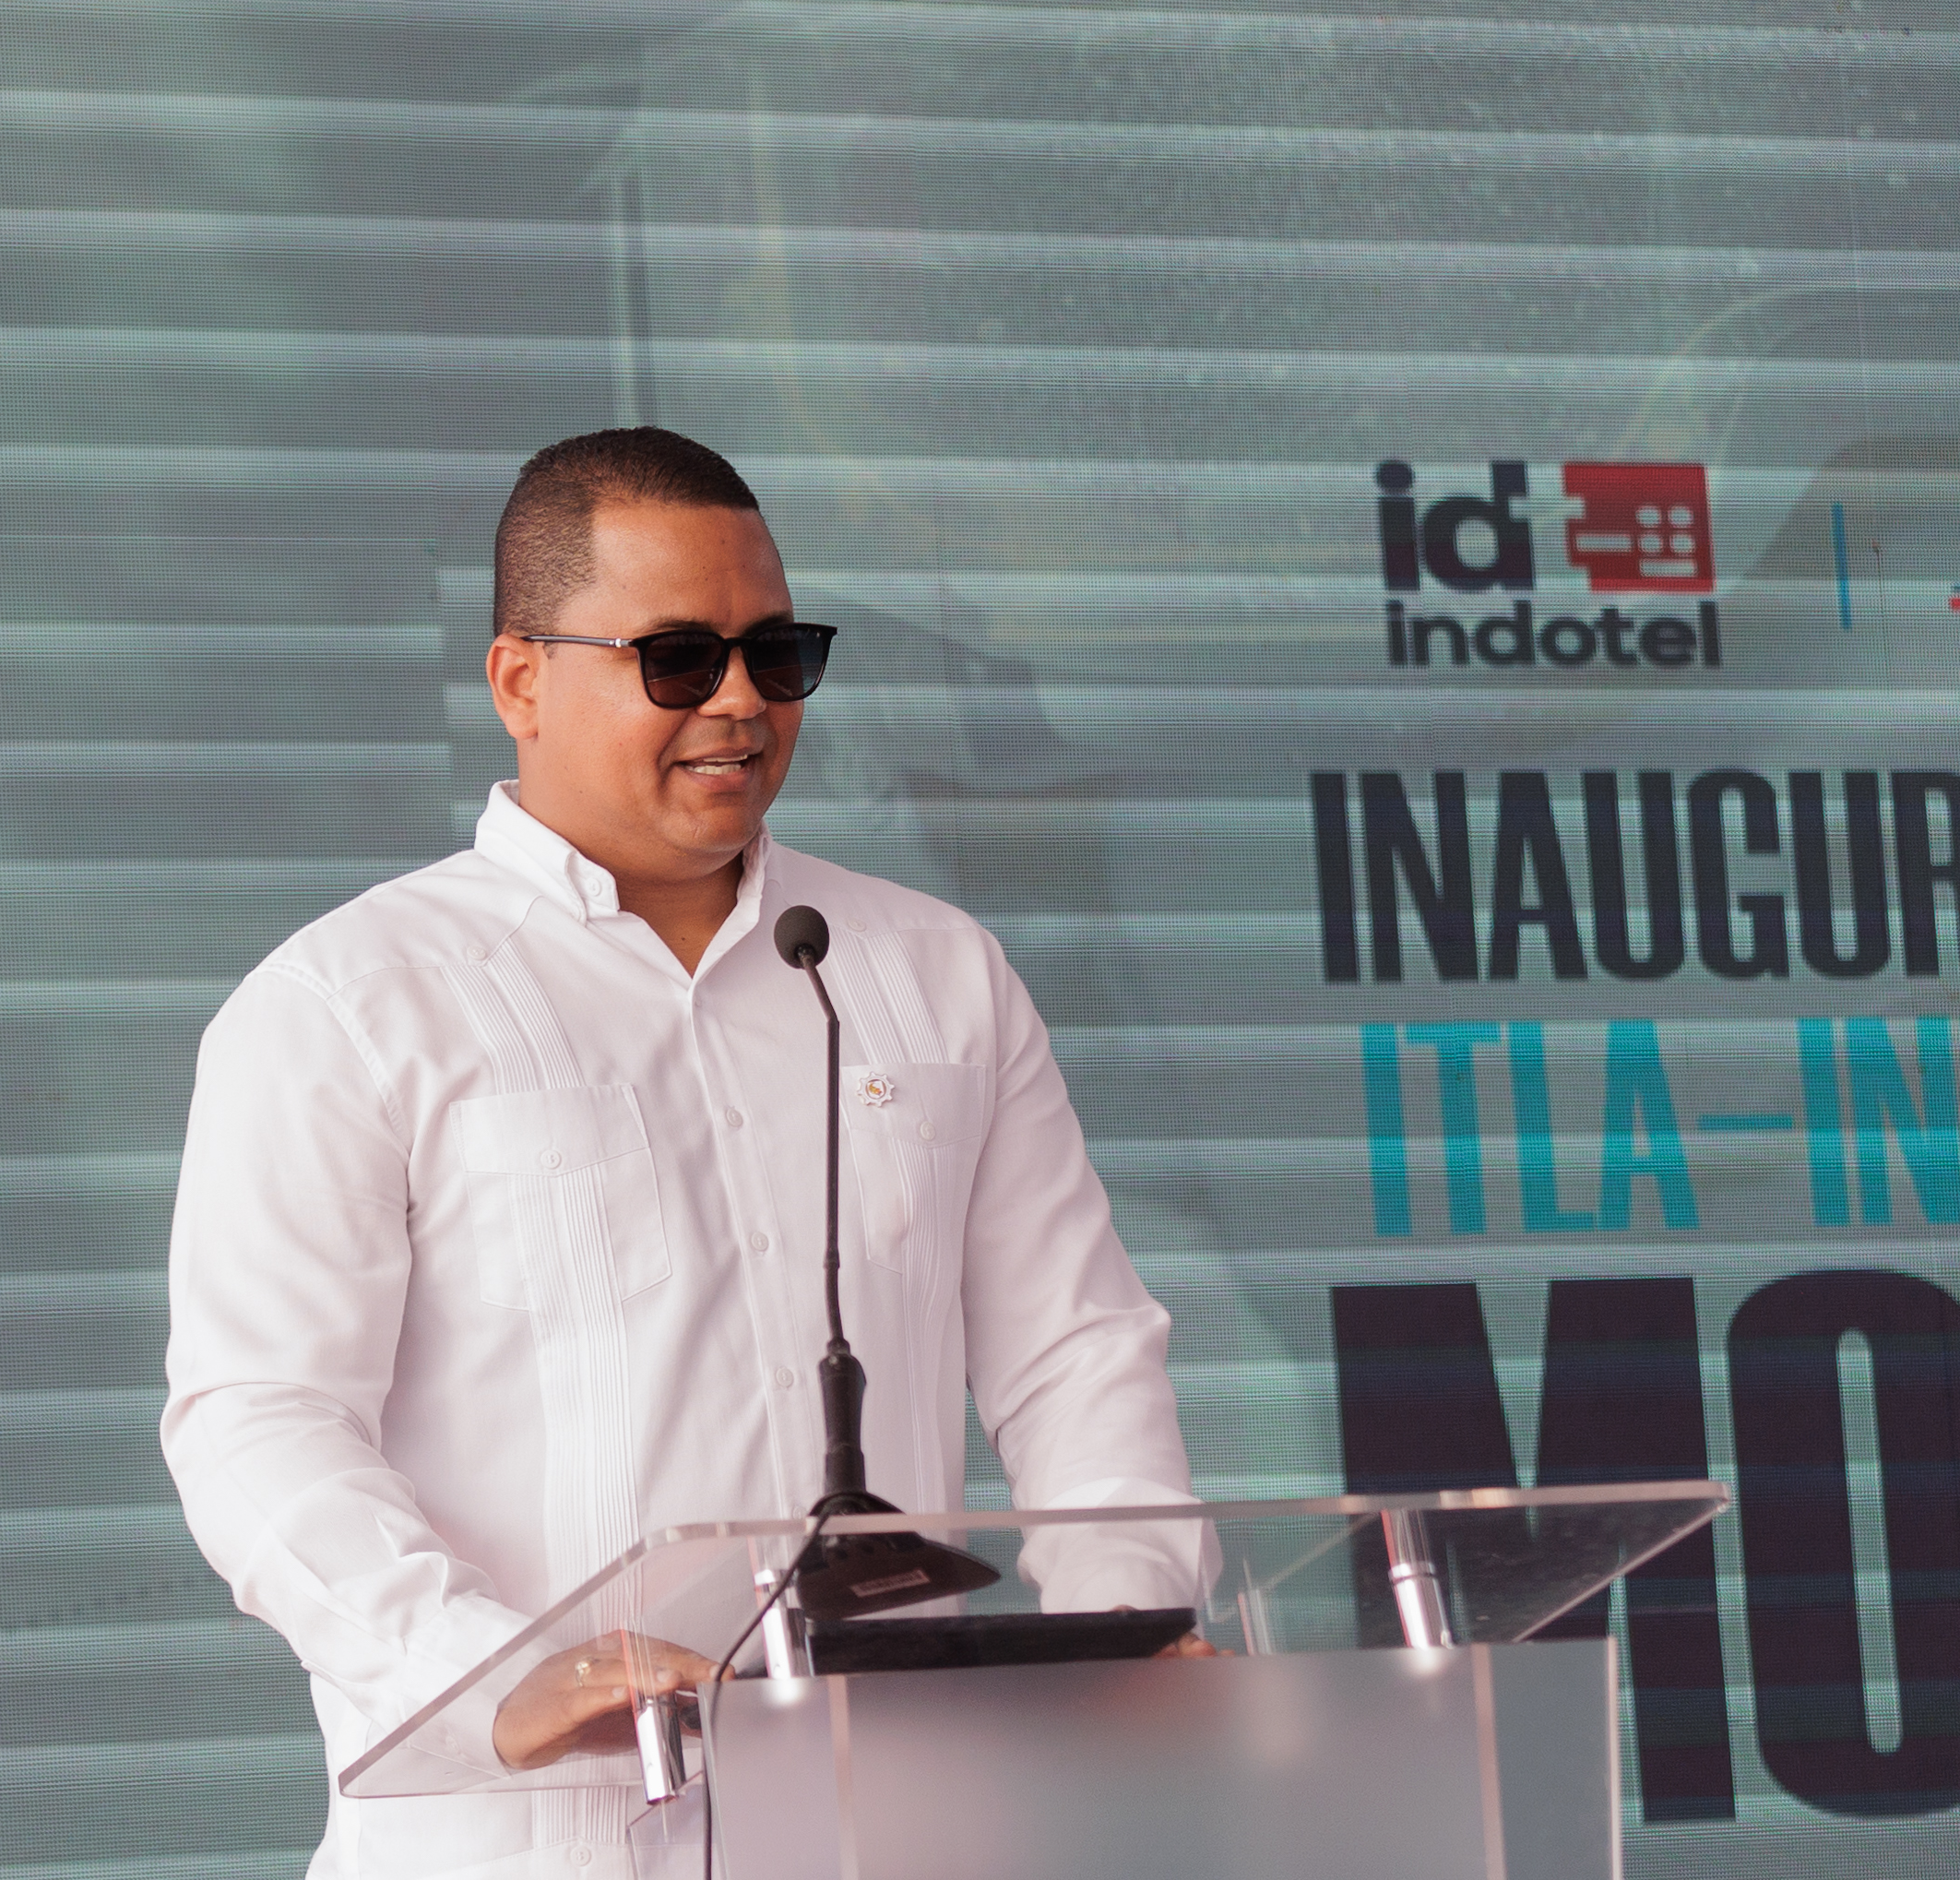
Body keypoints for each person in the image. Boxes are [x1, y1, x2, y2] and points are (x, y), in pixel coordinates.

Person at [161, 426, 1200, 1880]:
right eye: (677, 658)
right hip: (532, 1846)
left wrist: (1122, 1626)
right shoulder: (349, 1004)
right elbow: (259, 1417)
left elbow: (1075, 1354)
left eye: (777, 654)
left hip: (891, 1831)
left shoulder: (931, 972)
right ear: (519, 681)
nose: (740, 700)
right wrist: (494, 1673)